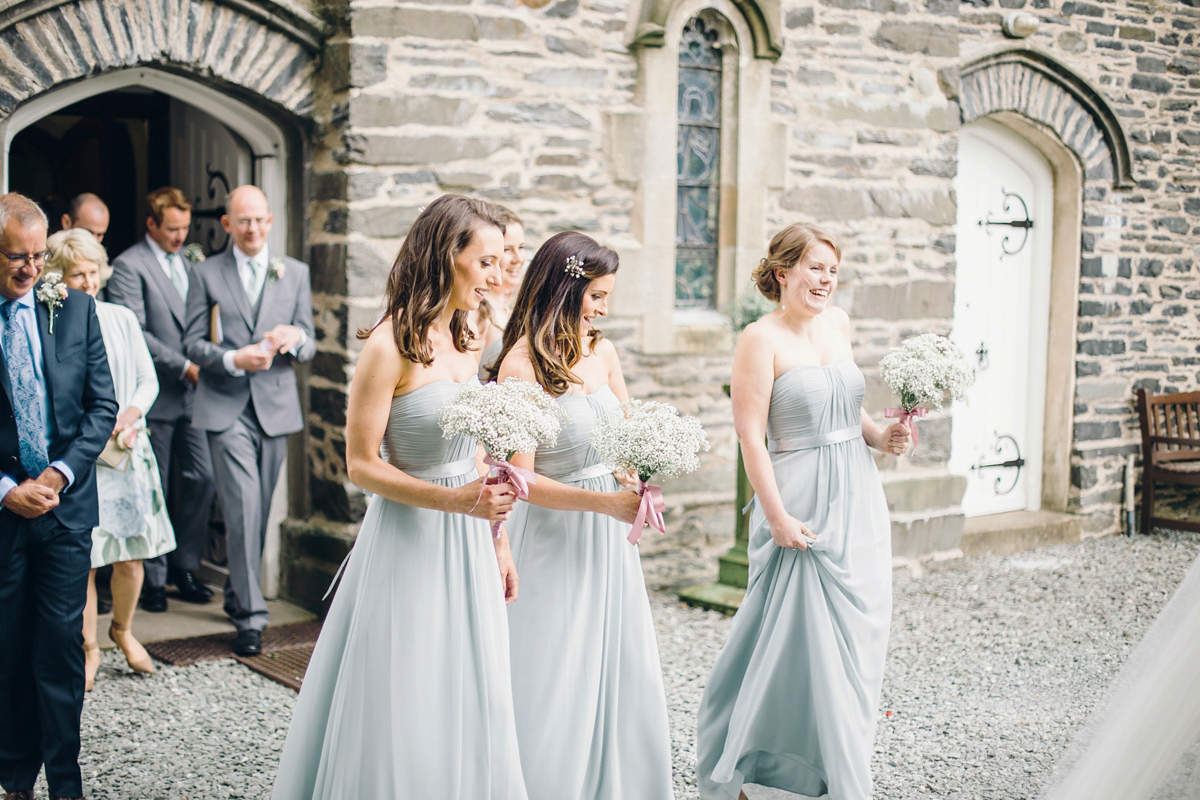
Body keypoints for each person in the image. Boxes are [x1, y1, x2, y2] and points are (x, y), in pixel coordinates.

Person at [270, 195, 525, 800]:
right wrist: (457, 502)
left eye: (501, 263)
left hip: (470, 535)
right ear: (447, 257)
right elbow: (361, 466)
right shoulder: (389, 346)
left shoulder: (477, 329)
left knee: (472, 678)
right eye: (485, 263)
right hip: (410, 538)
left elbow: (481, 450)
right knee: (407, 679)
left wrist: (500, 537)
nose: (496, 278)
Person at [694, 224, 911, 800]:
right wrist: (778, 517)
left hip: (858, 501)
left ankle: (826, 774)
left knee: (856, 643)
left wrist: (881, 436)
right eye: (815, 267)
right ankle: (756, 769)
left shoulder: (838, 324)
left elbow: (846, 407)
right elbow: (751, 439)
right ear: (783, 270)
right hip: (799, 503)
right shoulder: (758, 339)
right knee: (791, 642)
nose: (825, 280)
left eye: (833, 270)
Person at [490, 231, 672, 800]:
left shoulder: (604, 350)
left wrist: (637, 474)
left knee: (618, 666)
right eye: (595, 296)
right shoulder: (521, 369)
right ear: (562, 289)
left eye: (607, 298)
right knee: (556, 671)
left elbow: (625, 433)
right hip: (554, 535)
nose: (602, 310)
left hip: (609, 537)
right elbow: (521, 481)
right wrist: (606, 503)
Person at [0, 193, 118, 800]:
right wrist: (6, 490)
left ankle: (66, 784)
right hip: (3, 516)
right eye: (15, 257)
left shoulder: (73, 309)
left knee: (59, 646)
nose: (29, 268)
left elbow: (102, 407)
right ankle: (14, 776)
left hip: (66, 511)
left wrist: (60, 474)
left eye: (37, 256)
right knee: (9, 644)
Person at [182, 185, 315, 657]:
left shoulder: (294, 272)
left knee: (256, 511)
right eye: (243, 222)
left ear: (271, 221)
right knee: (241, 505)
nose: (253, 229)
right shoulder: (205, 273)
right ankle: (251, 618)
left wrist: (294, 337)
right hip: (225, 405)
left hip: (275, 409)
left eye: (260, 221)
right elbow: (193, 343)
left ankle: (240, 592)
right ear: (226, 225)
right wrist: (235, 359)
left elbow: (311, 340)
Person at [47, 228, 176, 691]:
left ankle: (123, 630)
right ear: (58, 277)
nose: (88, 281)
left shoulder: (120, 317)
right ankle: (89, 647)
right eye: (77, 274)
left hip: (125, 445)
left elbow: (148, 379)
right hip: (82, 456)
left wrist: (129, 413)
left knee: (130, 556)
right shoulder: (54, 320)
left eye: (93, 271)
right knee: (87, 559)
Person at [108, 187, 215, 613]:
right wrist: (184, 366)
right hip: (156, 393)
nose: (180, 236)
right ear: (151, 224)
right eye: (172, 228)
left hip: (197, 397)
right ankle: (152, 580)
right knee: (155, 487)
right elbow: (135, 332)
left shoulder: (193, 261)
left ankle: (185, 566)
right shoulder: (127, 266)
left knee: (201, 477)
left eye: (185, 228)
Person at [474, 206, 525, 379]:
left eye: (522, 247)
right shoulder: (477, 313)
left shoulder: (513, 309)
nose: (518, 258)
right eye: (507, 250)